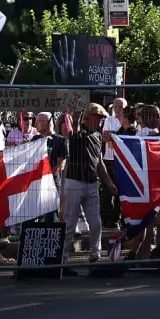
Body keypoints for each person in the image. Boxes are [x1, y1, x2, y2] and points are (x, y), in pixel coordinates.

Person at [60, 103, 117, 274]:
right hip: (75, 182)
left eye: (101, 119)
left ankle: (95, 257)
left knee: (96, 223)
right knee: (69, 224)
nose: (100, 121)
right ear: (89, 118)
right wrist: (77, 117)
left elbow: (99, 163)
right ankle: (62, 262)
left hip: (92, 182)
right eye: (98, 118)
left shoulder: (97, 136)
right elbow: (74, 130)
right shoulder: (78, 133)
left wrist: (109, 183)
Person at [100, 98, 126, 228]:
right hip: (109, 158)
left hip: (122, 159)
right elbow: (105, 137)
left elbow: (125, 138)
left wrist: (113, 137)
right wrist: (115, 137)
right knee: (107, 189)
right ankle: (106, 217)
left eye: (120, 106)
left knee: (120, 189)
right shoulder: (108, 120)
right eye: (115, 105)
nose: (117, 108)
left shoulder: (127, 121)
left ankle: (116, 218)